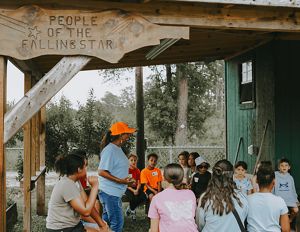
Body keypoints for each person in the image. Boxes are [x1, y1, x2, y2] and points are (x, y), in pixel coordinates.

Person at [46, 151, 108, 232]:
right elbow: (86, 212)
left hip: (74, 226)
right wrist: (95, 186)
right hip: (61, 229)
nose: (87, 169)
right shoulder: (67, 184)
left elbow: (87, 203)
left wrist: (102, 224)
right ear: (79, 169)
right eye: (85, 166)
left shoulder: (75, 181)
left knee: (106, 230)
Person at [98, 122, 136, 232]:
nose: (129, 136)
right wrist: (121, 181)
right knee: (117, 223)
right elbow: (101, 171)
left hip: (113, 192)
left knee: (106, 222)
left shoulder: (117, 148)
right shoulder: (110, 150)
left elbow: (116, 169)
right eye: (127, 134)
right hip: (110, 193)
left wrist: (126, 180)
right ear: (120, 135)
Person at [196, 159, 248, 232]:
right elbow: (244, 217)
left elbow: (200, 225)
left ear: (213, 175)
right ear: (231, 175)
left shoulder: (205, 197)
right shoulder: (242, 196)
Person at [148, 163, 198, 232]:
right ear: (181, 177)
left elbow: (154, 230)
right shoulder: (190, 194)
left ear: (164, 177)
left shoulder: (157, 198)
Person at [247, 162, 290, 232]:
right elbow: (286, 229)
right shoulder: (280, 201)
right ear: (274, 182)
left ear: (257, 181)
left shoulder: (248, 199)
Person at [273, 158, 299, 229]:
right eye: (282, 165)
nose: (284, 167)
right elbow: (272, 187)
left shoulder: (290, 178)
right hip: (278, 199)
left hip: (289, 199)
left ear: (289, 167)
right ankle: (278, 224)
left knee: (296, 210)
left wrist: (296, 200)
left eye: (286, 165)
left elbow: (293, 190)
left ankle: (290, 220)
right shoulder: (275, 175)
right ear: (279, 167)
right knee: (276, 211)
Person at [125, 153, 147, 220]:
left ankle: (130, 208)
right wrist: (133, 190)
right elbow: (126, 184)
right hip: (128, 188)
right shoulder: (126, 170)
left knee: (144, 197)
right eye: (131, 160)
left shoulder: (137, 170)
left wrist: (137, 189)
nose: (133, 162)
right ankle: (133, 212)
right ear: (128, 161)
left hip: (136, 188)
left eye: (135, 160)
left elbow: (139, 182)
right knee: (132, 198)